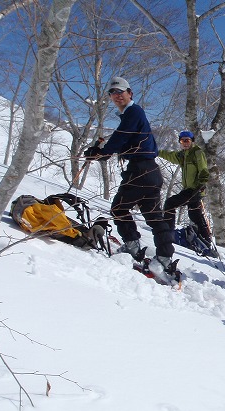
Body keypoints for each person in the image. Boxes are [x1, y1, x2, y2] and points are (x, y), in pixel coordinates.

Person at [85, 76, 176, 276]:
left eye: (120, 92)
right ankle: (165, 256)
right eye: (112, 93)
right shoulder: (134, 115)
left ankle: (133, 247)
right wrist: (103, 152)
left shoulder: (133, 112)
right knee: (154, 217)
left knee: (119, 208)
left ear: (129, 93)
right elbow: (126, 141)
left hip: (140, 172)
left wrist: (103, 152)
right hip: (151, 173)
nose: (117, 96)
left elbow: (121, 135)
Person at [159, 131, 215, 255]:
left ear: (192, 141)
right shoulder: (183, 155)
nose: (185, 143)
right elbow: (170, 155)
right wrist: (156, 152)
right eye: (182, 141)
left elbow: (203, 169)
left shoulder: (197, 153)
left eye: (187, 140)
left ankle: (168, 233)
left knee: (170, 204)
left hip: (194, 190)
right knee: (195, 215)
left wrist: (201, 184)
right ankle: (205, 241)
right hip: (189, 190)